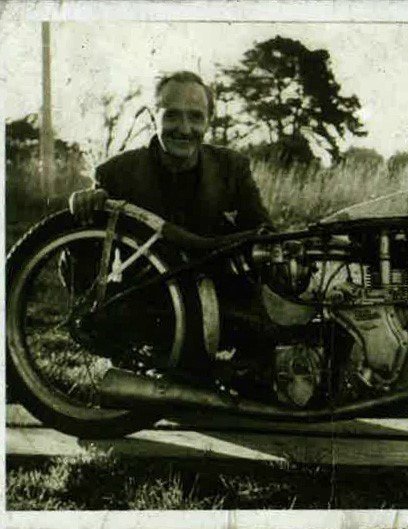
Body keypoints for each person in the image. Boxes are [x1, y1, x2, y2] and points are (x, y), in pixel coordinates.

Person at [68, 70, 275, 387]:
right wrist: (84, 216)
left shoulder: (232, 167)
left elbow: (265, 236)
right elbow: (79, 268)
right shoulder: (116, 173)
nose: (185, 128)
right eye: (173, 116)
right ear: (154, 116)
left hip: (217, 304)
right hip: (150, 310)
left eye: (196, 117)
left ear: (209, 121)